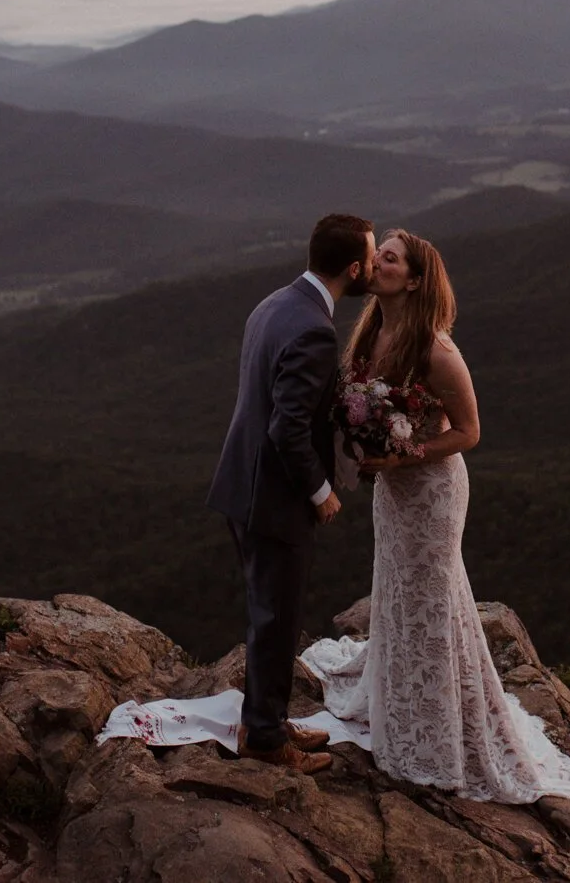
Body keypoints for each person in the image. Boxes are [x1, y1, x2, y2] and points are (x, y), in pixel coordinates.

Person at [301, 230, 570, 804]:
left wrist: (403, 452)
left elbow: (469, 432)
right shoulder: (372, 331)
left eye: (389, 257)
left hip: (433, 491)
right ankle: (402, 698)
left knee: (430, 596)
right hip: (393, 491)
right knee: (397, 587)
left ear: (414, 279)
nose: (377, 262)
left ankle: (438, 731)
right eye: (377, 254)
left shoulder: (436, 349)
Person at [205, 212, 375, 772]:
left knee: (267, 613)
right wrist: (321, 490)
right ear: (354, 268)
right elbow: (287, 425)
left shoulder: (274, 303)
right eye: (371, 258)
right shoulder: (316, 330)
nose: (373, 266)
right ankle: (264, 738)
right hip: (274, 499)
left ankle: (269, 720)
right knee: (277, 619)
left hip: (241, 486)